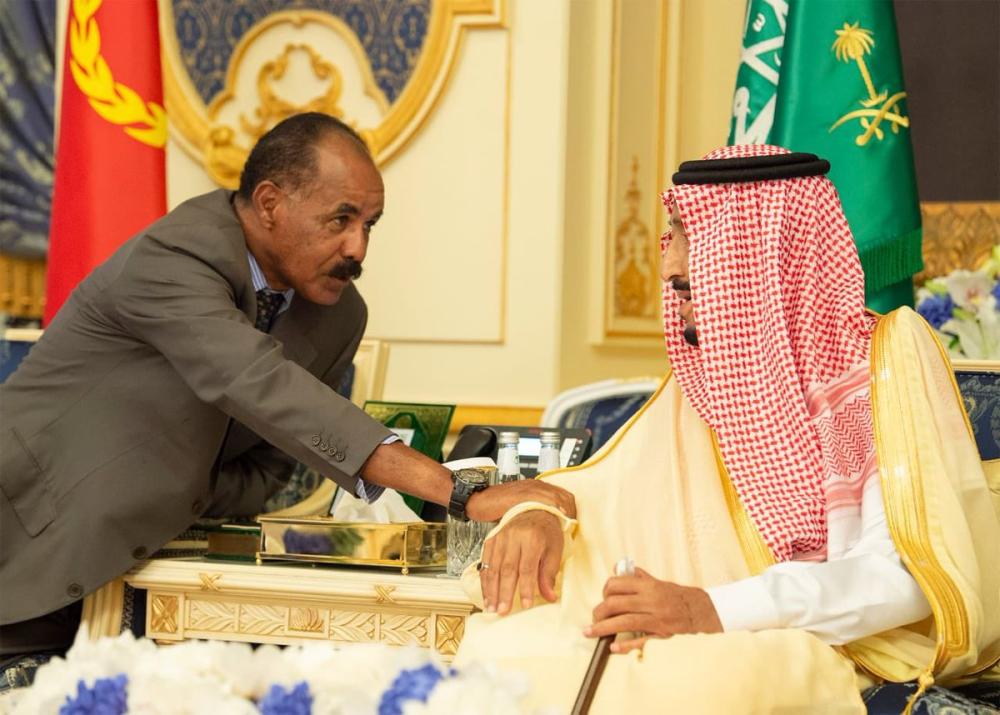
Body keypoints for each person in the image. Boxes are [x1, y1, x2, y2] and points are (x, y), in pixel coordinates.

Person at [0, 112, 573, 676]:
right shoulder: (172, 259)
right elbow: (263, 386)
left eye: (370, 224)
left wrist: (175, 495)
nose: (359, 249)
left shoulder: (338, 315)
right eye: (341, 220)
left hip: (149, 579)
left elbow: (274, 459)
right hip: (27, 546)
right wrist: (458, 492)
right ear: (270, 203)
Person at [455, 145, 1000, 712]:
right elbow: (604, 491)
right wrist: (540, 511)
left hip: (818, 640)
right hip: (692, 620)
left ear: (759, 251)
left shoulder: (883, 365)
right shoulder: (712, 378)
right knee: (509, 647)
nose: (668, 267)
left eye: (689, 234)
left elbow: (903, 575)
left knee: (683, 682)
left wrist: (712, 609)